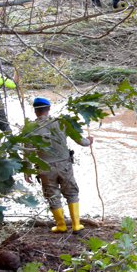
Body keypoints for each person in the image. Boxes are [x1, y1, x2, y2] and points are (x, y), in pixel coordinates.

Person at [24, 97, 94, 233]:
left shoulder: (30, 129)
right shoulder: (62, 123)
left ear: (35, 111)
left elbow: (27, 153)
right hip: (65, 166)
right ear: (49, 108)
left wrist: (27, 171)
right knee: (71, 192)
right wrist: (89, 141)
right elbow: (81, 141)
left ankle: (61, 225)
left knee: (52, 195)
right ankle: (76, 225)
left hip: (45, 167)